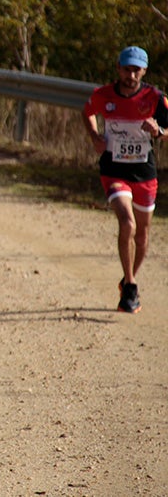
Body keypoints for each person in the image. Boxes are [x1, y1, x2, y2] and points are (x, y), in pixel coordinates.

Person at [81, 45, 168, 313]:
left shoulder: (156, 98)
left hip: (143, 172)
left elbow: (167, 128)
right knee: (127, 222)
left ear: (143, 71)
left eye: (136, 70)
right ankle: (130, 286)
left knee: (142, 236)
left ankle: (128, 277)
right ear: (118, 69)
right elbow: (86, 113)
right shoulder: (102, 95)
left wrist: (159, 130)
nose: (131, 75)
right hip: (114, 170)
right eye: (126, 69)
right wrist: (95, 137)